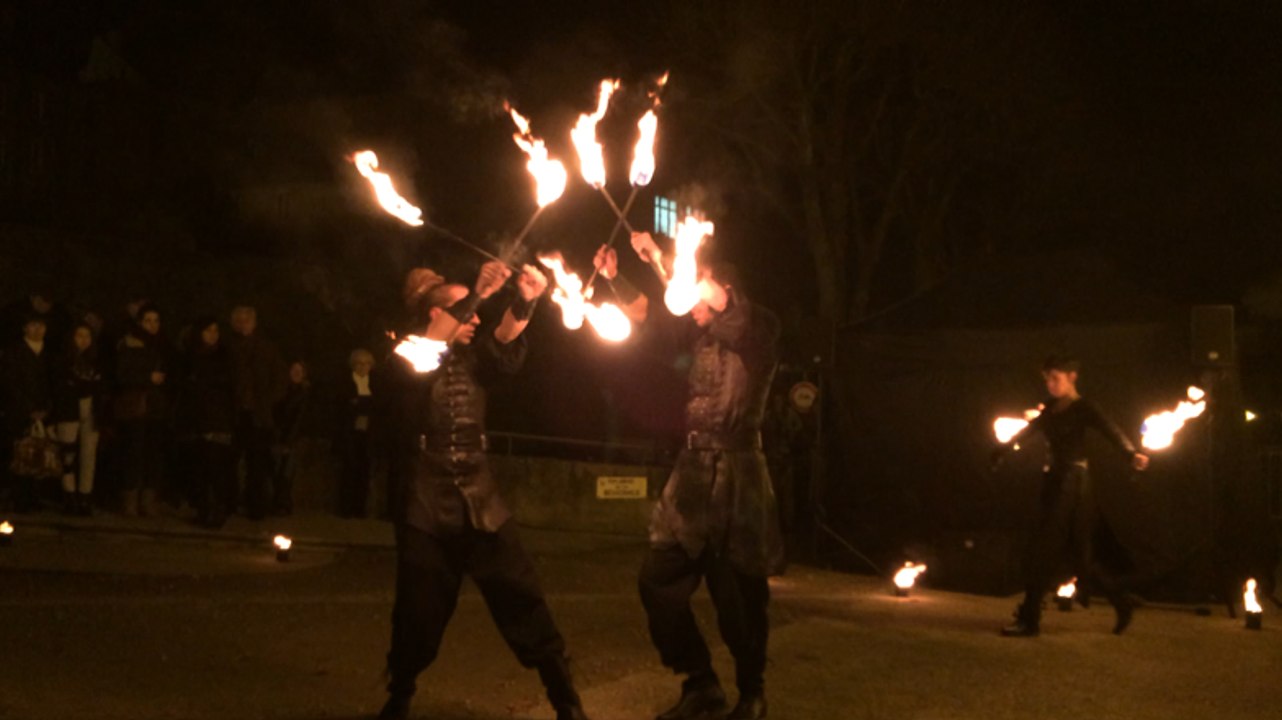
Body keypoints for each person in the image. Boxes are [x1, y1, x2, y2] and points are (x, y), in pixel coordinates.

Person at [377, 261, 591, 720]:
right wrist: (477, 292)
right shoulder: (408, 354)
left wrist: (524, 299)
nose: (475, 317)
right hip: (425, 506)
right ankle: (400, 695)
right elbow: (421, 359)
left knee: (524, 599)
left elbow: (505, 338)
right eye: (464, 310)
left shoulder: (477, 358)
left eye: (474, 310)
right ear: (434, 315)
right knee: (418, 614)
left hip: (482, 499)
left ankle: (566, 702)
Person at [596, 235, 783, 720]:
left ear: (721, 291)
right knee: (656, 583)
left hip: (738, 480)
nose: (687, 306)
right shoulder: (695, 335)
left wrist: (670, 262)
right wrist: (620, 275)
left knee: (739, 600)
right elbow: (645, 314)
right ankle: (700, 683)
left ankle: (752, 692)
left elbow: (735, 319)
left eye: (698, 293)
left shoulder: (760, 327)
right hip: (691, 478)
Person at [990, 355, 1151, 637]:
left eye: (1056, 378)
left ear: (1072, 376)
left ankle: (1029, 620)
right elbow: (1029, 431)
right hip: (1057, 480)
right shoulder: (1051, 408)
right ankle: (1121, 600)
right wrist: (1003, 450)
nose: (1050, 384)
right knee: (1079, 555)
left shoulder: (1084, 407)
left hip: (1072, 482)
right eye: (1047, 379)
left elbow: (1110, 429)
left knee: (1042, 549)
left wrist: (1130, 454)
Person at [173, 317, 237, 528]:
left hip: (218, 419)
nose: (213, 334)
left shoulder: (224, 357)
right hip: (195, 419)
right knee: (199, 467)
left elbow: (228, 387)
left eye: (216, 330)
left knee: (216, 468)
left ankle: (217, 510)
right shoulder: (190, 356)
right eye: (208, 330)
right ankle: (203, 509)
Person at [226, 305, 287, 520]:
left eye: (247, 320)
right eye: (239, 321)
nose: (243, 325)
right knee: (229, 462)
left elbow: (279, 379)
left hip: (258, 415)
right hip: (234, 413)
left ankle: (256, 507)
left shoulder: (266, 348)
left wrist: (267, 401)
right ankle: (230, 503)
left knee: (257, 463)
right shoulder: (228, 348)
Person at [113, 305, 170, 517]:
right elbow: (122, 375)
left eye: (156, 320)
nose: (152, 325)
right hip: (136, 408)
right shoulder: (129, 345)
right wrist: (147, 378)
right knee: (133, 454)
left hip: (157, 408)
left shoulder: (164, 345)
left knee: (153, 455)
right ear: (140, 323)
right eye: (148, 320)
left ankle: (148, 500)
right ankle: (130, 500)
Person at [2, 316, 55, 513]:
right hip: (19, 412)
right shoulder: (14, 352)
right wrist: (28, 409)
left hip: (43, 413)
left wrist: (46, 409)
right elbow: (10, 383)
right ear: (25, 328)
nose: (38, 329)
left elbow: (53, 383)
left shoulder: (49, 353)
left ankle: (36, 497)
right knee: (20, 454)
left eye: (41, 325)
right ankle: (19, 497)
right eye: (33, 325)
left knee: (40, 455)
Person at [51, 323, 104, 515]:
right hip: (69, 410)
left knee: (89, 455)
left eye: (87, 336)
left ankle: (85, 496)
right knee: (68, 454)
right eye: (79, 335)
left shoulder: (96, 362)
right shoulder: (63, 361)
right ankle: (69, 495)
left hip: (91, 411)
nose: (83, 340)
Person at [336, 349, 377, 519]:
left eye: (366, 364)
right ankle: (345, 508)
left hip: (368, 434)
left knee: (364, 470)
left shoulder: (375, 384)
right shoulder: (346, 382)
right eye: (359, 363)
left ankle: (360, 508)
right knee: (348, 469)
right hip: (349, 433)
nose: (363, 367)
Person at [271, 360, 313, 516]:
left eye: (299, 371)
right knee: (278, 471)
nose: (296, 374)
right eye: (293, 370)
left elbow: (301, 419)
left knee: (287, 473)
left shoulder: (305, 394)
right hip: (280, 436)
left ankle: (283, 504)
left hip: (295, 438)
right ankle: (279, 503)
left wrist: (290, 439)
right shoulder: (281, 391)